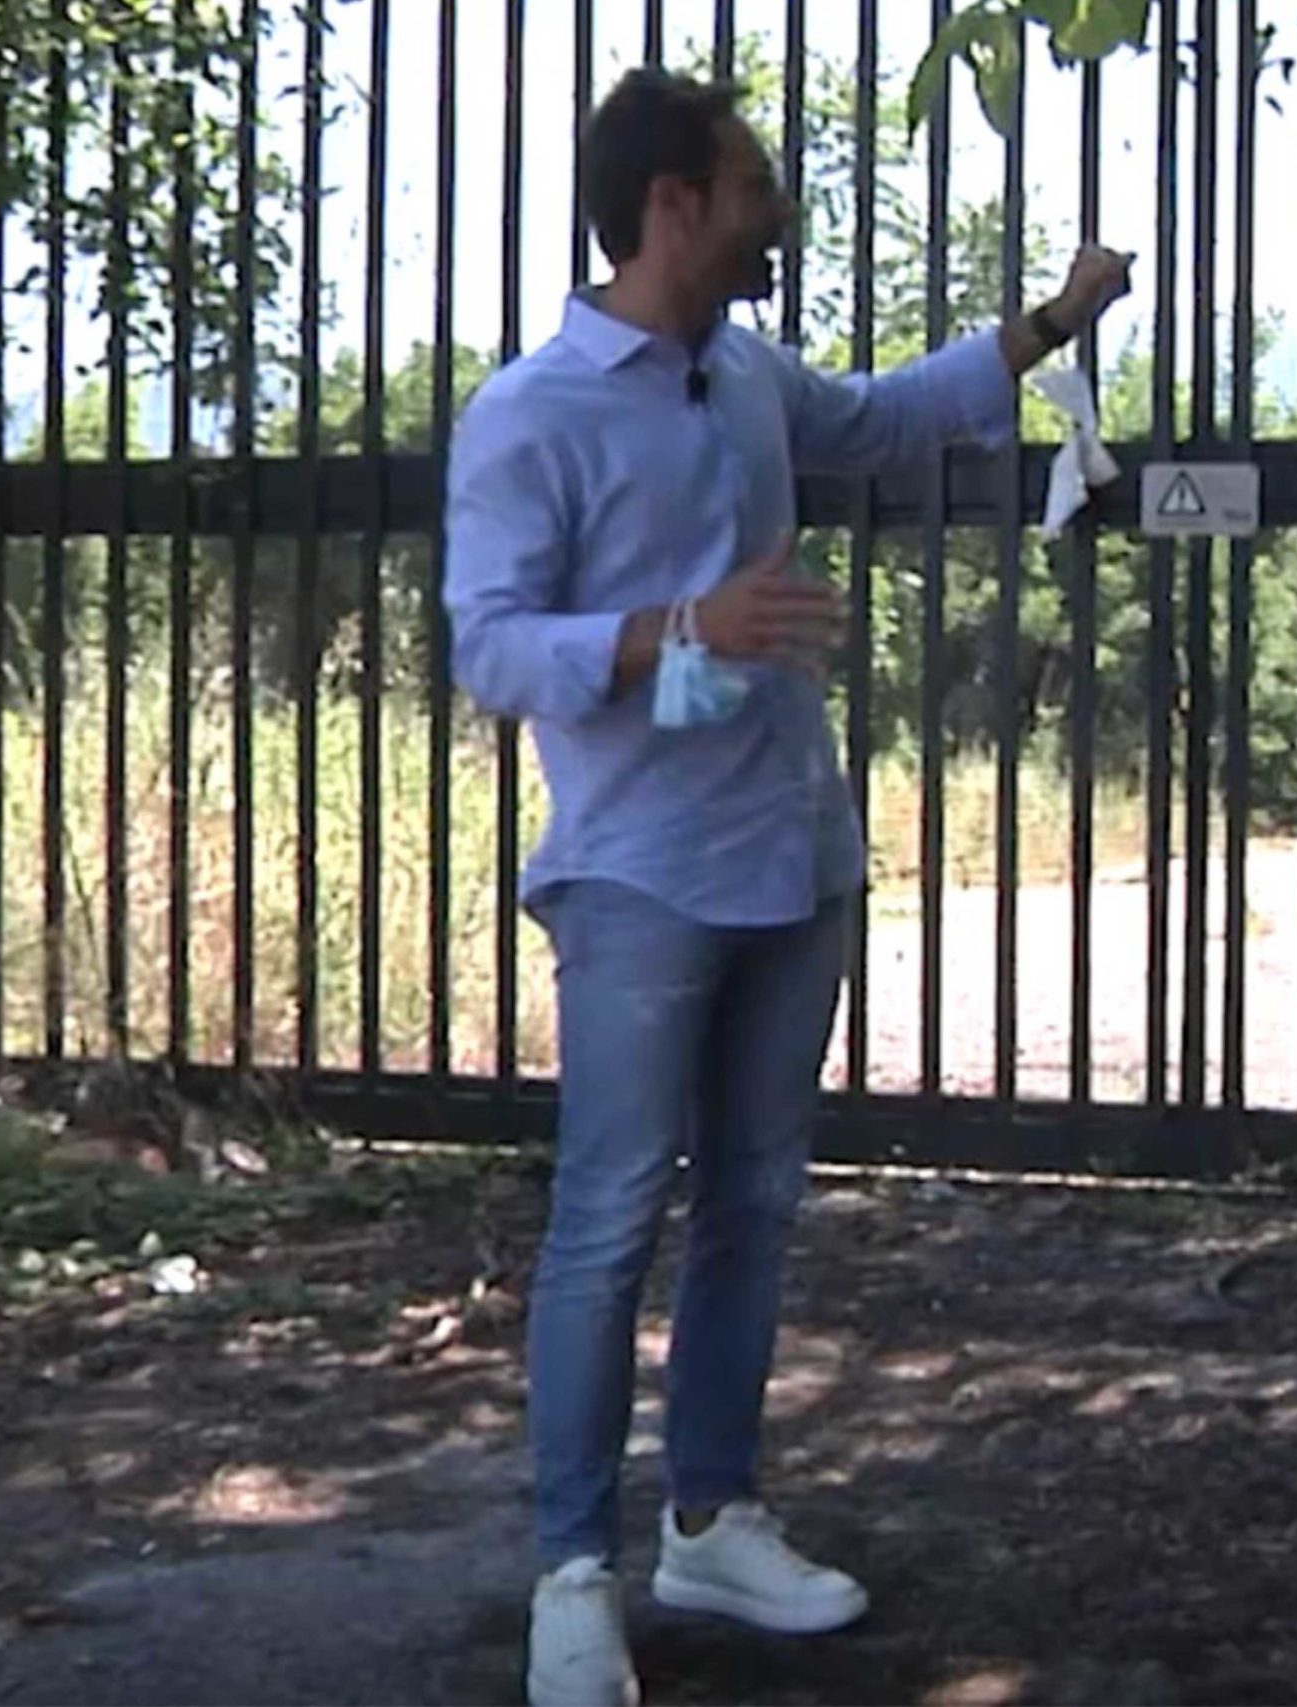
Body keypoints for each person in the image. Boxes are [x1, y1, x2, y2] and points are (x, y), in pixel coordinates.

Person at [442, 66, 1131, 1707]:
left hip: (790, 859)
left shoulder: (744, 374)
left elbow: (886, 419)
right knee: (609, 1218)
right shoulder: (533, 411)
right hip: (637, 876)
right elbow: (489, 649)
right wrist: (680, 627)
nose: (777, 213)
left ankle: (712, 1520)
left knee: (753, 1201)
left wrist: (1051, 322)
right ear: (673, 204)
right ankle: (573, 1575)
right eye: (753, 186)